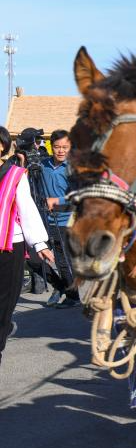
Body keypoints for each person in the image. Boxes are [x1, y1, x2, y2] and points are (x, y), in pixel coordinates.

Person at [1, 127, 56, 367]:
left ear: (3, 146)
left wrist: (40, 243)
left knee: (5, 302)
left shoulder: (15, 175)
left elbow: (27, 208)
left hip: (10, 246)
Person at [40, 130, 78, 308]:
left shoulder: (74, 168)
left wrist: (57, 201)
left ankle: (73, 297)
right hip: (42, 221)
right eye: (57, 147)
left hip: (65, 221)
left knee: (63, 261)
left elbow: (80, 195)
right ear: (51, 146)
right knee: (33, 259)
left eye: (65, 147)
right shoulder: (42, 164)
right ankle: (60, 286)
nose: (61, 151)